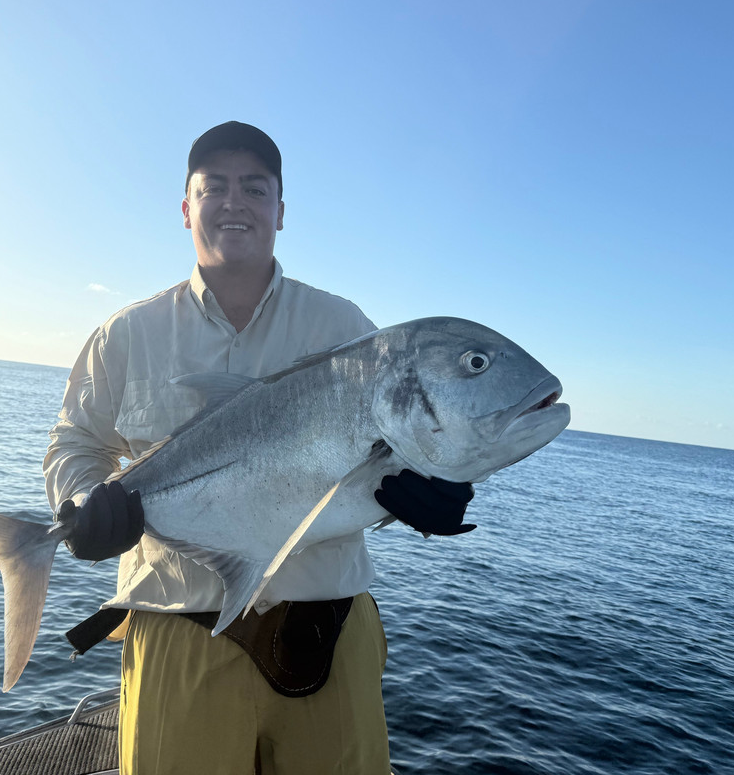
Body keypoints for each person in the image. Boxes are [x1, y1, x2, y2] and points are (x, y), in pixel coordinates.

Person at [43, 122, 474, 775]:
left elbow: (384, 462)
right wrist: (82, 503)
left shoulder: (345, 329)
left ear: (281, 210)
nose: (234, 202)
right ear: (186, 208)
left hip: (330, 631)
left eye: (254, 187)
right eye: (213, 186)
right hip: (175, 629)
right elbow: (77, 442)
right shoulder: (128, 335)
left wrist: (429, 492)